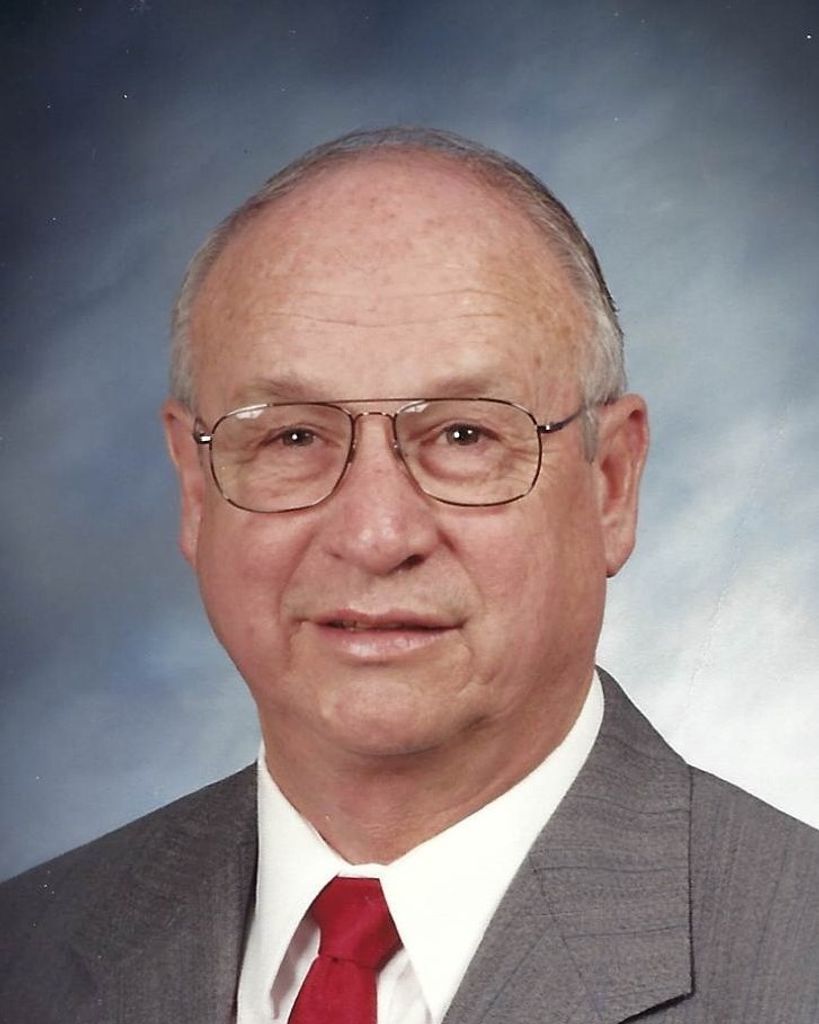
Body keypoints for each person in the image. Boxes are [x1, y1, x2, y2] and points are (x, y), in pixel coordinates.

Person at [1, 126, 817, 1024]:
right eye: (293, 437)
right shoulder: (26, 953)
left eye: (464, 434)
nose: (376, 534)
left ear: (610, 485)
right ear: (195, 490)